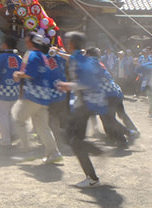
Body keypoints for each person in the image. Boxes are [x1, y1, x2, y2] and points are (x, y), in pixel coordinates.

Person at [54, 31, 108, 188]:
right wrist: (59, 53)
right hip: (83, 104)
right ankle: (96, 154)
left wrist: (67, 85)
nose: (65, 43)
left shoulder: (79, 61)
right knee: (71, 138)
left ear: (72, 43)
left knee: (75, 141)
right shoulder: (80, 58)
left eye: (67, 41)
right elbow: (71, 58)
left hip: (83, 105)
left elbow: (87, 83)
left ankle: (92, 177)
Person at [13, 32, 62, 165]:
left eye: (27, 38)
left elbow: (31, 73)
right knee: (42, 126)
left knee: (19, 120)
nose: (25, 40)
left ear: (30, 41)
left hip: (34, 95)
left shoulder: (32, 54)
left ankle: (27, 152)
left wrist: (18, 74)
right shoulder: (43, 56)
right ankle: (54, 153)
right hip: (44, 96)